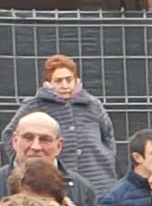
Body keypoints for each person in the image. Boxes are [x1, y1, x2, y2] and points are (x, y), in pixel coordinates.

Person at [16, 54, 116, 190]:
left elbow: (108, 135)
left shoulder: (93, 105)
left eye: (69, 80)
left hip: (98, 183)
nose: (65, 85)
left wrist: (107, 158)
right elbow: (10, 135)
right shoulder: (34, 106)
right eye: (58, 81)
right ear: (48, 83)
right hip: (56, 183)